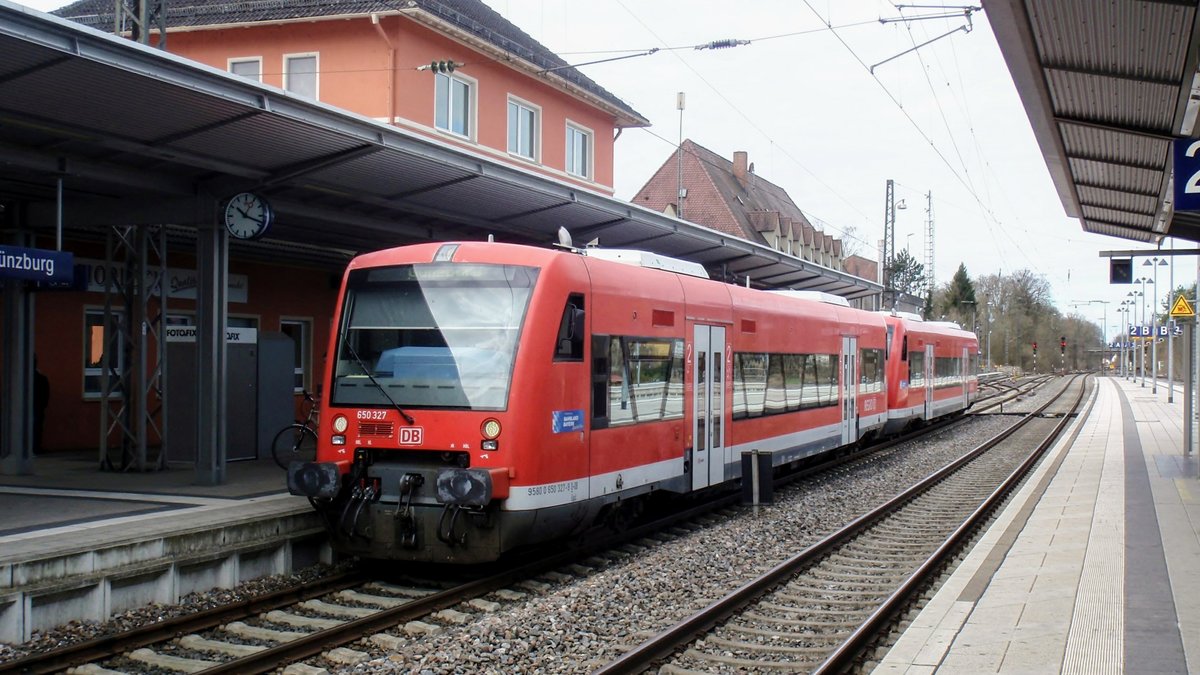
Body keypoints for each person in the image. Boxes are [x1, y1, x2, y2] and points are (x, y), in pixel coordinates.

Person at [33, 355, 48, 454]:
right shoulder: (41, 378)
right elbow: (46, 394)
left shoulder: (23, 378)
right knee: (37, 428)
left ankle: (34, 447)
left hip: (34, 407)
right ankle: (36, 447)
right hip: (38, 408)